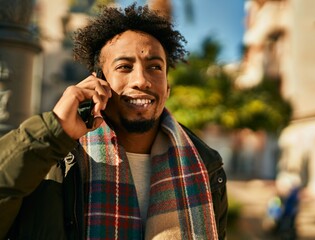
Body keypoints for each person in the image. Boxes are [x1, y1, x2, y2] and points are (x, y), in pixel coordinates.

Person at [0, 3, 227, 240]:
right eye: (124, 67)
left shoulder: (206, 166)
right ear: (98, 82)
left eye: (155, 67)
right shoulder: (55, 159)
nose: (141, 80)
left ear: (167, 88)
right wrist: (54, 129)